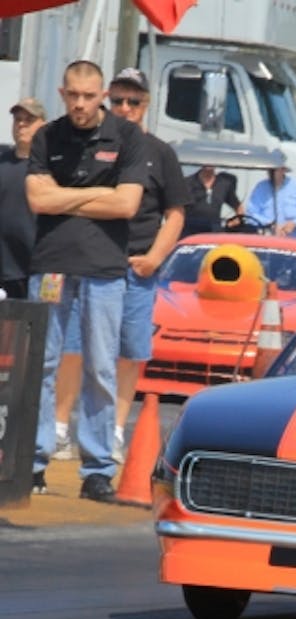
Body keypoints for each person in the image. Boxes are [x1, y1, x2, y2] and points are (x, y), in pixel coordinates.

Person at [26, 60, 147, 502]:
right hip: (52, 265)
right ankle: (33, 461)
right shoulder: (47, 136)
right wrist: (99, 193)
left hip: (104, 269)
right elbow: (38, 199)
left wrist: (65, 198)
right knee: (42, 364)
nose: (80, 104)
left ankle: (96, 469)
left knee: (99, 366)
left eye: (88, 96)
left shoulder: (127, 136)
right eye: (72, 95)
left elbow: (128, 204)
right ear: (63, 93)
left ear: (101, 96)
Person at [106, 67, 190, 458]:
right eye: (118, 100)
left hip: (136, 268)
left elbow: (175, 213)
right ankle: (66, 430)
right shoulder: (93, 145)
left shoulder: (161, 152)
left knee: (129, 352)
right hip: (92, 263)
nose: (125, 108)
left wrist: (155, 258)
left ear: (146, 104)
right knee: (77, 350)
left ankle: (116, 431)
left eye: (133, 102)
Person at [0, 97, 45, 300]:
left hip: (35, 268)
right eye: (17, 119)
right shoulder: (2, 161)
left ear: (43, 124)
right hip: (4, 268)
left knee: (35, 329)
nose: (21, 124)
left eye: (29, 119)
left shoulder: (50, 166)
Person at [245, 161, 296, 237]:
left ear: (283, 170)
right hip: (266, 242)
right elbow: (250, 214)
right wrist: (270, 225)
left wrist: (294, 223)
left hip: (292, 242)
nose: (271, 173)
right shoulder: (261, 187)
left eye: (274, 170)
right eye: (269, 170)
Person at [184, 164, 243, 235]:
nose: (208, 164)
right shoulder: (187, 182)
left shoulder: (224, 183)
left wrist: (236, 221)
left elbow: (238, 206)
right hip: (190, 232)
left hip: (214, 232)